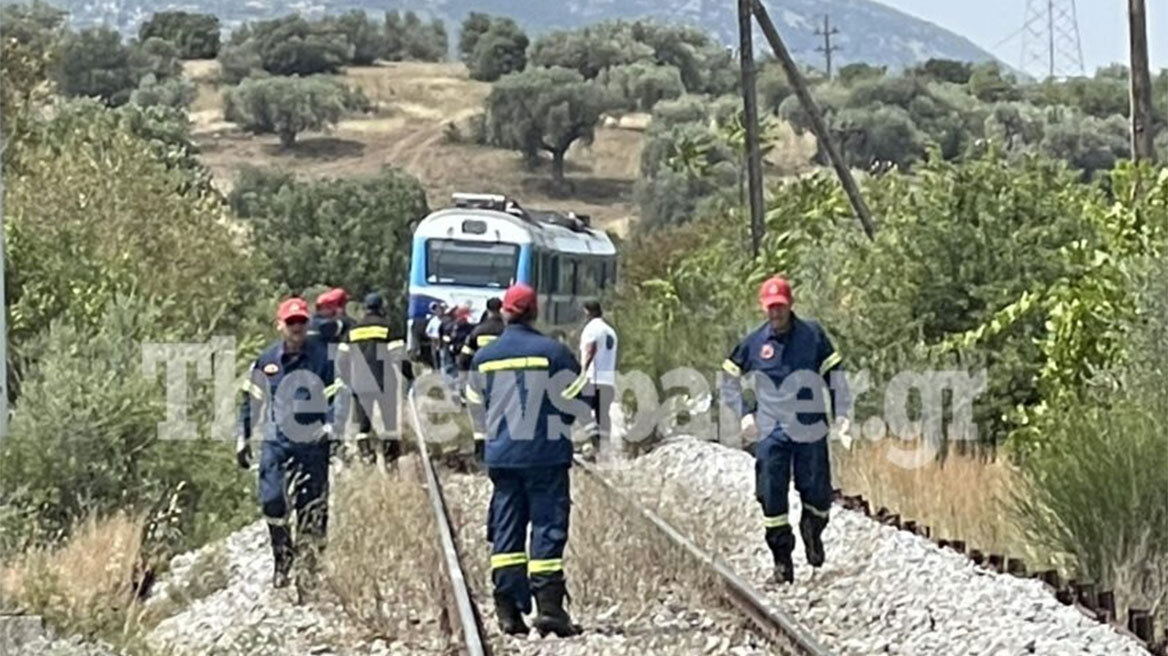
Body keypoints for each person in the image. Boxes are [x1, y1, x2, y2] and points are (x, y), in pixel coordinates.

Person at [465, 284, 585, 638]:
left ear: (504, 312)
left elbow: (474, 403)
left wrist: (488, 437)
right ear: (534, 312)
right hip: (545, 453)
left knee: (506, 524)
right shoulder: (553, 352)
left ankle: (507, 608)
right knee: (548, 523)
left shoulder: (485, 357)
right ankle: (548, 607)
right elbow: (577, 396)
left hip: (502, 454)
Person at [719, 276, 850, 585]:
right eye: (770, 308)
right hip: (771, 429)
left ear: (790, 305)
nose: (775, 313)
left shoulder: (813, 336)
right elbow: (728, 377)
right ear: (763, 308)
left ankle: (812, 530)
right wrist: (743, 415)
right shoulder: (755, 342)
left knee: (818, 495)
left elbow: (836, 374)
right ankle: (782, 561)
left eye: (780, 306)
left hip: (809, 426)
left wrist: (843, 414)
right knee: (771, 495)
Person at [236, 297, 346, 590]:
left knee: (312, 507)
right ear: (280, 325)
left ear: (307, 324)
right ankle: (282, 560)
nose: (296, 327)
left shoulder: (324, 358)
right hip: (276, 443)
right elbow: (250, 400)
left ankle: (309, 568)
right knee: (273, 501)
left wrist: (331, 424)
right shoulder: (267, 361)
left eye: (301, 321)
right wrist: (242, 436)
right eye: (291, 322)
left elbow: (338, 396)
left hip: (312, 443)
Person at [341, 292, 412, 465]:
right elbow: (399, 355)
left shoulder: (354, 330)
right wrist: (410, 376)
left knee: (363, 420)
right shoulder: (387, 327)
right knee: (389, 418)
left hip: (360, 380)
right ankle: (390, 454)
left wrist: (346, 377)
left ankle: (366, 454)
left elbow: (342, 357)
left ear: (365, 308)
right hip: (384, 379)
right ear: (381, 308)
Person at [458, 298, 505, 460]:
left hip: (479, 378)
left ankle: (480, 453)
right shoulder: (506, 330)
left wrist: (464, 379)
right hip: (503, 379)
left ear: (488, 310)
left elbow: (464, 358)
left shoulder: (478, 331)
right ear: (501, 309)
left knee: (479, 417)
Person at [578, 301, 618, 458]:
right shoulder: (610, 331)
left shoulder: (591, 329)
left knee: (581, 408)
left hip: (592, 378)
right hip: (608, 380)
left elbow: (590, 349)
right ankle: (604, 446)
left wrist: (583, 371)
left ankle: (593, 441)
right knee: (603, 414)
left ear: (587, 312)